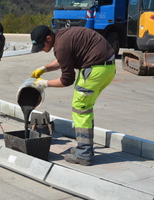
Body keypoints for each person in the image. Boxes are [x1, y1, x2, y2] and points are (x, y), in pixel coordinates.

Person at [30, 25, 115, 166]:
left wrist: (45, 83)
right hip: (106, 68)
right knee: (85, 109)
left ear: (48, 38)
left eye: (41, 46)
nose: (40, 49)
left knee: (80, 109)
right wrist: (45, 68)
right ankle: (86, 149)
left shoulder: (60, 46)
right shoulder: (62, 36)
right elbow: (64, 59)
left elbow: (67, 80)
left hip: (95, 70)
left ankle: (84, 154)